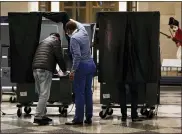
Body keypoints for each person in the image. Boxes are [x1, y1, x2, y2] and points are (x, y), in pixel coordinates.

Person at [65, 19, 96, 125]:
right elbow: (79, 24)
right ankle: (88, 117)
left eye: (66, 31)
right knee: (88, 92)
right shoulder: (83, 32)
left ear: (69, 30)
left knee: (79, 93)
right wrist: (70, 19)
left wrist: (72, 71)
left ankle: (78, 119)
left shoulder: (74, 39)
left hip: (81, 67)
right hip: (91, 65)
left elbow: (77, 56)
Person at [32, 33, 67, 125]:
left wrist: (54, 70)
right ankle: (38, 117)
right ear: (58, 38)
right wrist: (64, 70)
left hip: (36, 69)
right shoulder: (55, 41)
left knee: (41, 94)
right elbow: (59, 57)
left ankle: (42, 115)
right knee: (45, 95)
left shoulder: (43, 41)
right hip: (44, 70)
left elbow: (46, 57)